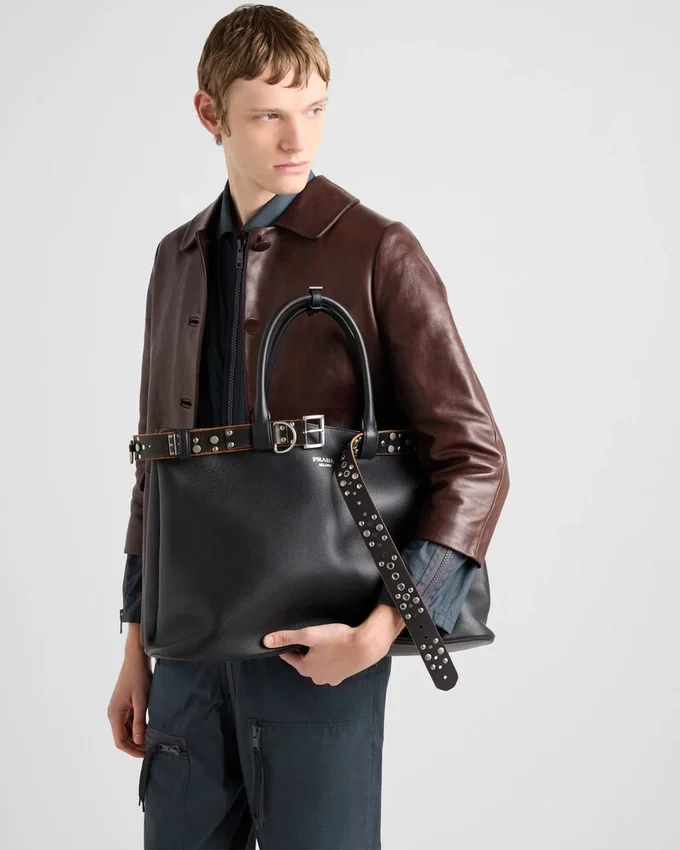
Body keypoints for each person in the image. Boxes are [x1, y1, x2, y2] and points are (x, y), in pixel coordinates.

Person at [107, 5, 509, 848]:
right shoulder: (174, 260)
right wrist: (136, 644)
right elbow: (155, 471)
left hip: (320, 655)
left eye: (315, 109)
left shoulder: (376, 250)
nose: (299, 138)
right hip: (186, 662)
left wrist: (380, 633)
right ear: (209, 114)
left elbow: (476, 460)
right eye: (268, 115)